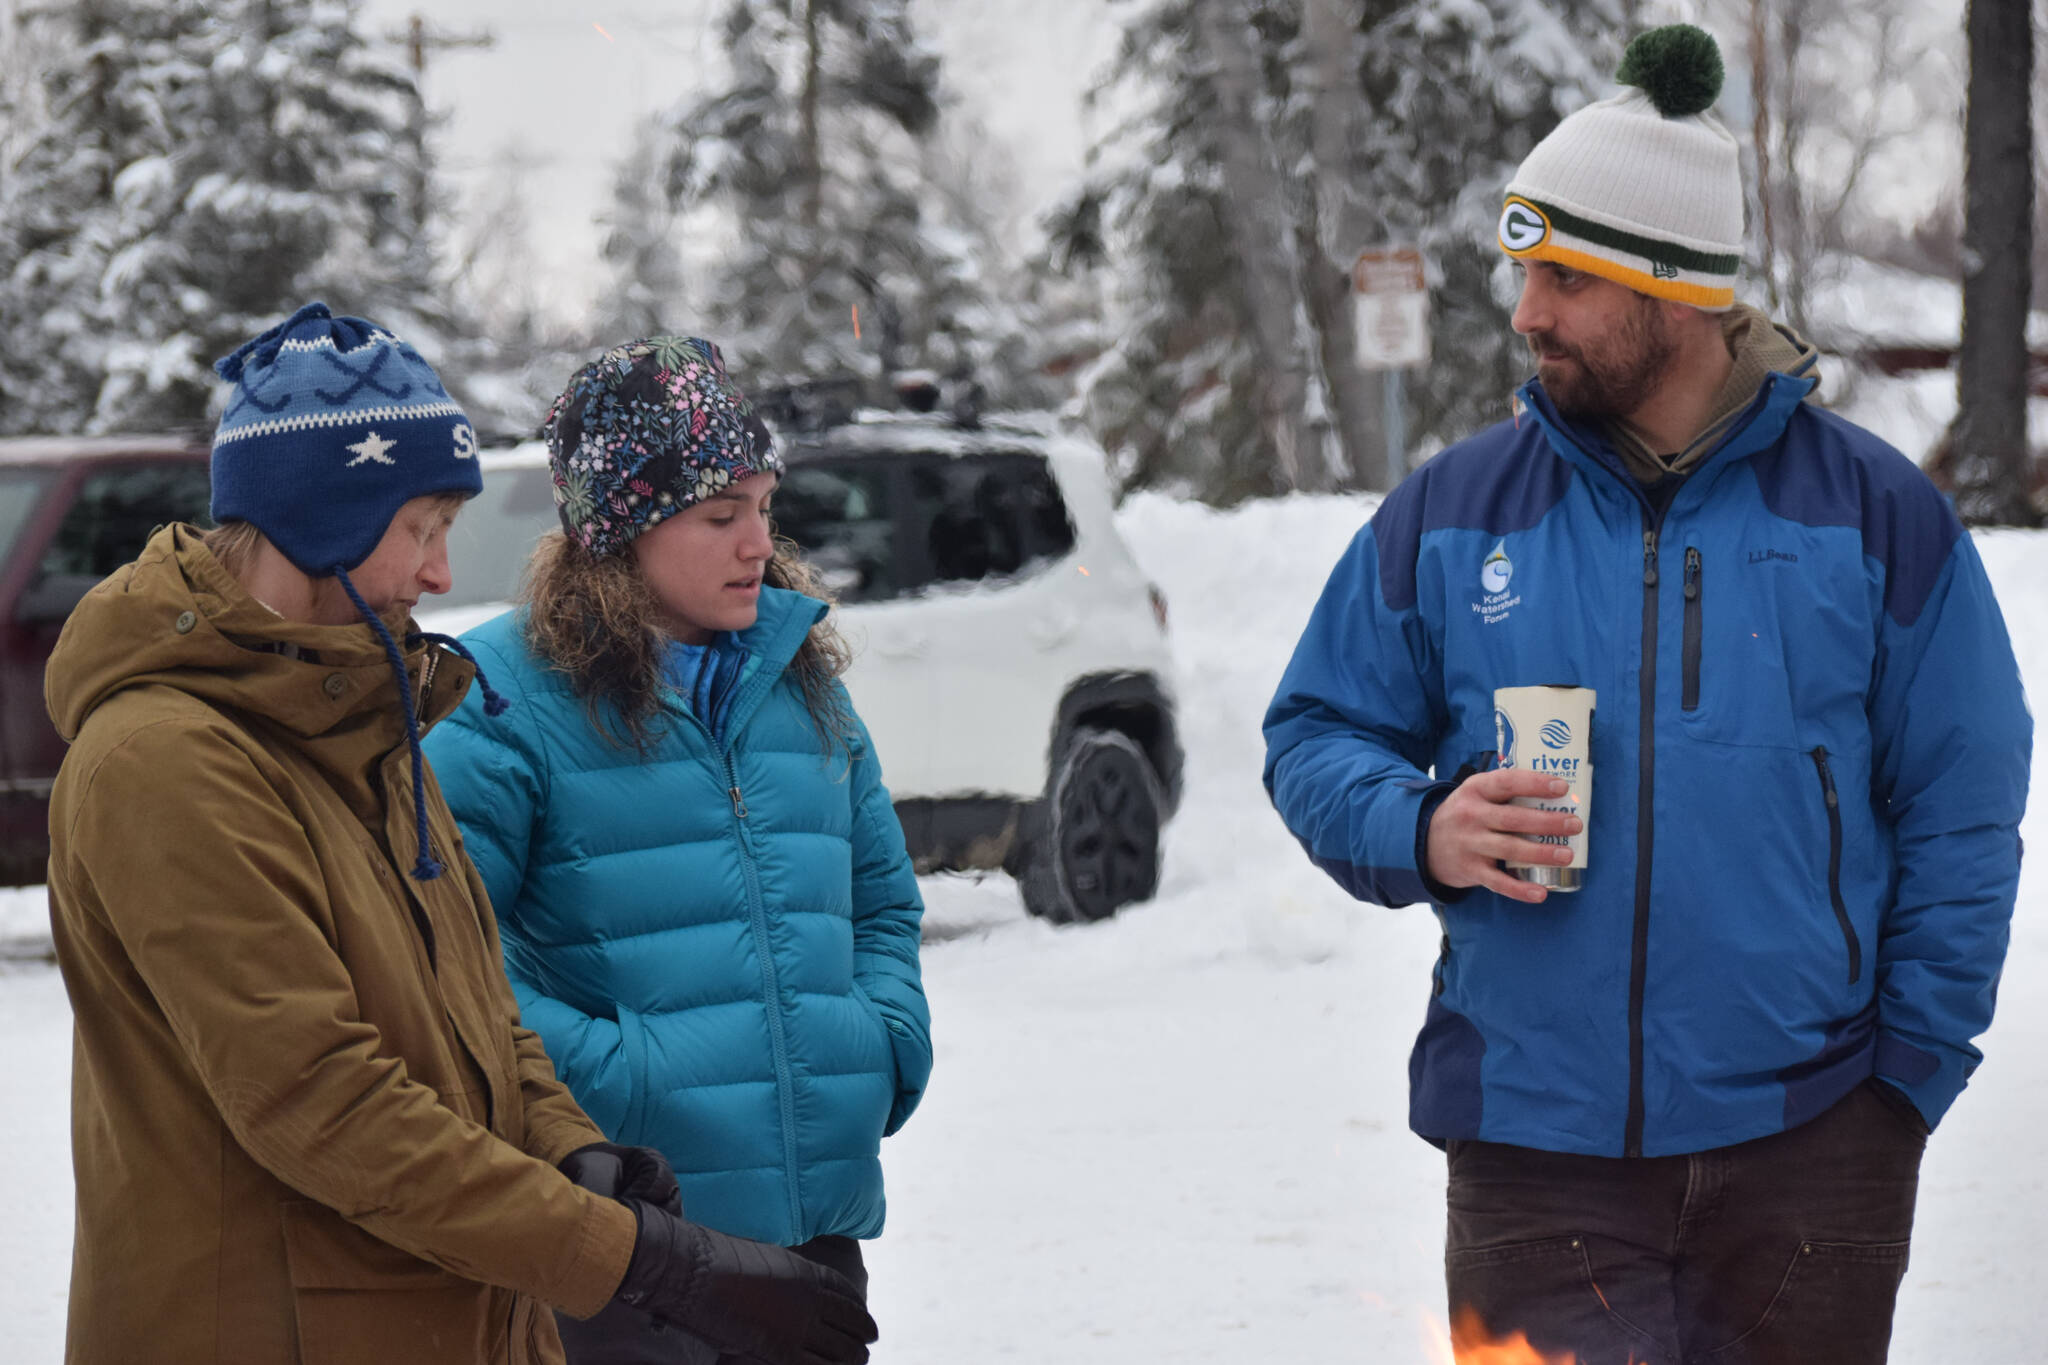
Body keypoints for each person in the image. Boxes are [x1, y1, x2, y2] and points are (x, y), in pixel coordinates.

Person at [1262, 26, 2030, 1365]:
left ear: (1670, 290)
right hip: (1534, 1156)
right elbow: (1316, 730)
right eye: (1524, 272)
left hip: (1812, 1151)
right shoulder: (1453, 513)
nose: (1525, 312)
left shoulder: (1876, 517)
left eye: (1561, 277)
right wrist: (1421, 827)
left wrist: (1906, 1076)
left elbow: (1966, 795)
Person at [44, 303, 878, 1365]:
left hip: (442, 1314)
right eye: (422, 530)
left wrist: (573, 1148)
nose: (443, 574)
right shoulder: (167, 763)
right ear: (318, 524)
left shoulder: (361, 712)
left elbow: (476, 1008)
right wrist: (637, 1263)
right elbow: (319, 1101)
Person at [423, 336, 933, 1365]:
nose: (758, 543)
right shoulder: (500, 698)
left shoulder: (799, 679)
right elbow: (439, 955)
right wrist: (620, 1079)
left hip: (815, 1227)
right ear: (621, 530)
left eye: (761, 506)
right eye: (718, 516)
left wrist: (878, 1047)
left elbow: (880, 900)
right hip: (629, 1243)